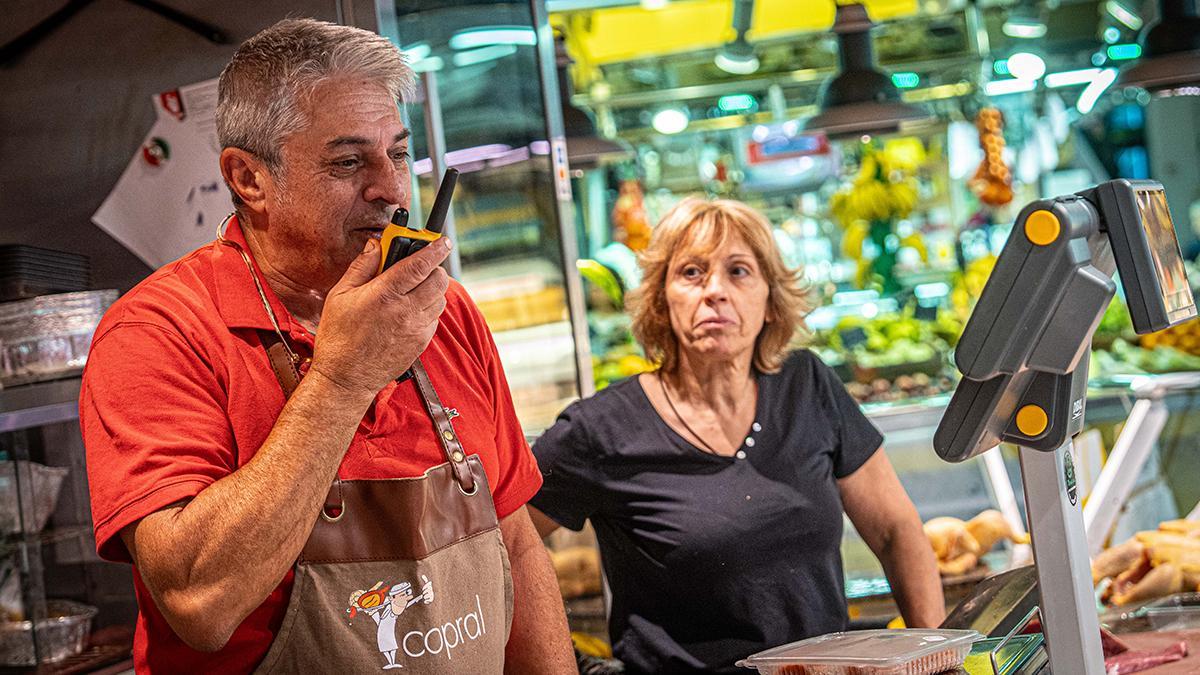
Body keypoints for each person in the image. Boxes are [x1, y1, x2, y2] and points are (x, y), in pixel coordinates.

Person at [80, 18, 574, 674]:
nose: (393, 190)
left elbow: (514, 540)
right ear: (249, 178)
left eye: (397, 153)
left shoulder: (443, 312)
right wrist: (344, 378)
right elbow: (197, 602)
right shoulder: (159, 334)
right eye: (349, 162)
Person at [529, 197, 944, 674]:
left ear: (770, 300)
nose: (715, 291)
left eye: (739, 271)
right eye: (690, 273)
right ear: (663, 300)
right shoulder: (600, 429)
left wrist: (934, 658)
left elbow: (895, 532)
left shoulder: (807, 386)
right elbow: (501, 547)